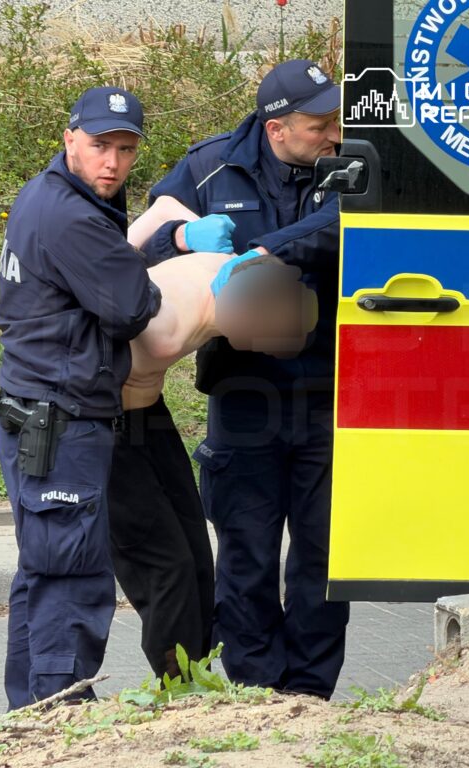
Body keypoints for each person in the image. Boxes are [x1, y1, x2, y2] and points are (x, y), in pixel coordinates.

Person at [137, 59, 351, 699]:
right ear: (276, 127)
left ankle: (311, 698)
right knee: (246, 556)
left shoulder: (351, 162)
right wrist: (181, 234)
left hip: (329, 394)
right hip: (244, 393)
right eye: (320, 124)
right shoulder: (209, 168)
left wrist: (266, 252)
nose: (335, 134)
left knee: (321, 560)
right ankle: (257, 693)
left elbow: (354, 220)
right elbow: (139, 245)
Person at [0, 85, 163, 709]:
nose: (112, 163)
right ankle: (56, 713)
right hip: (62, 422)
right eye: (99, 146)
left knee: (42, 570)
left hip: (36, 410)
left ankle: (26, 713)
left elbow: (107, 275)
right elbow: (133, 307)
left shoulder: (47, 195)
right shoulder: (72, 216)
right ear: (69, 139)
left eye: (125, 149)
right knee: (73, 571)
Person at [108, 248, 317, 680]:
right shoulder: (164, 328)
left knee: (199, 559)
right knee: (169, 566)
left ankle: (197, 675)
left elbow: (162, 214)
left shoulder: (231, 265)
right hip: (103, 427)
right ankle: (179, 686)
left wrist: (184, 228)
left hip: (149, 415)